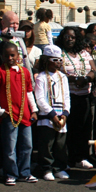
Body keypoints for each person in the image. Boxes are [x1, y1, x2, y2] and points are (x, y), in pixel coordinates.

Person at [0, 42, 39, 185]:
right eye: (6, 55)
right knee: (10, 146)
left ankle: (25, 172)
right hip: (9, 115)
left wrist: (34, 110)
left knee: (27, 145)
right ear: (1, 56)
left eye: (12, 55)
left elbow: (29, 93)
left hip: (25, 114)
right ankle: (10, 173)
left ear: (18, 56)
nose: (10, 58)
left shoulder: (24, 72)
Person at [55, 26, 96, 169]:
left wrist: (85, 79)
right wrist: (73, 80)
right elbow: (56, 72)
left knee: (84, 127)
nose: (70, 39)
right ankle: (68, 158)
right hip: (68, 96)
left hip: (84, 95)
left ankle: (81, 157)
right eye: (66, 37)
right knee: (69, 128)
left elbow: (94, 70)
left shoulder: (84, 53)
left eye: (72, 37)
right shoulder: (60, 53)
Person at [34, 45, 70, 182]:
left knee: (60, 145)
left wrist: (65, 113)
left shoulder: (63, 77)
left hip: (61, 116)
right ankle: (46, 168)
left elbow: (66, 96)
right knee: (47, 144)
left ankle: (59, 167)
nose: (58, 63)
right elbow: (40, 98)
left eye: (60, 60)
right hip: (48, 116)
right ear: (47, 60)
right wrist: (51, 114)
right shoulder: (42, 77)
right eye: (55, 60)